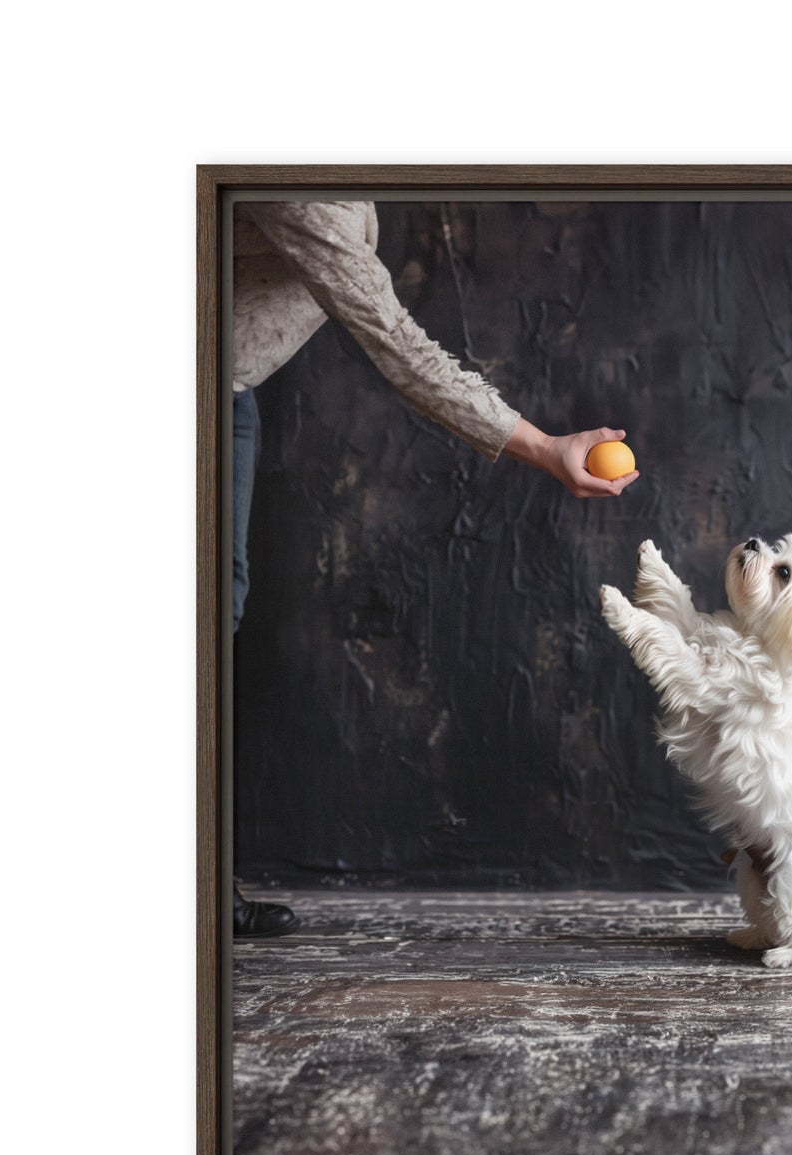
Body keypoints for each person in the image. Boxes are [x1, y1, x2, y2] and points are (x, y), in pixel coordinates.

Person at [230, 201, 638, 938]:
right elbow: (392, 340)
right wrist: (544, 448)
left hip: (229, 389)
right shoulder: (299, 185)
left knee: (217, 608)